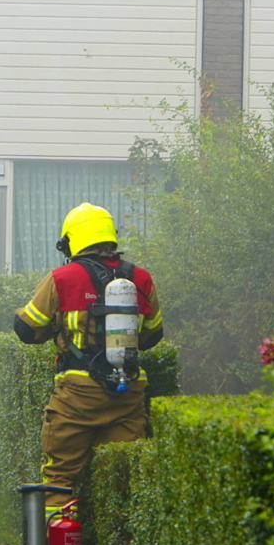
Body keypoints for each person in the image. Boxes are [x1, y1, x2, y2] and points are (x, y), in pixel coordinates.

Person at [14, 203, 164, 516]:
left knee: (59, 481)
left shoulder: (62, 278)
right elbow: (152, 336)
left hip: (76, 397)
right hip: (127, 394)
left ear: (71, 241)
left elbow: (27, 330)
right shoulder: (141, 278)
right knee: (122, 482)